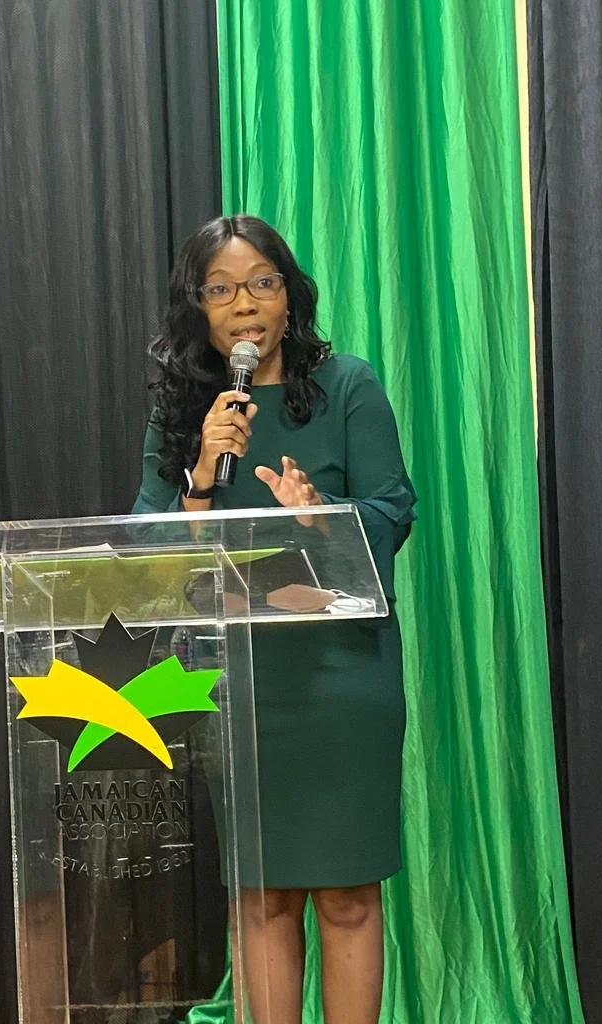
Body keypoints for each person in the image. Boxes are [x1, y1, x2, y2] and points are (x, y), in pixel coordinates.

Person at [132, 214, 416, 1024]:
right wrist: (198, 475)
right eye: (220, 290)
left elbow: (393, 513)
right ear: (201, 311)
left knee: (350, 898)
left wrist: (320, 514)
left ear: (290, 299)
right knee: (261, 900)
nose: (244, 304)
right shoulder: (187, 416)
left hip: (339, 678)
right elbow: (148, 554)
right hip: (242, 684)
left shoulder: (349, 387)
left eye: (261, 282)